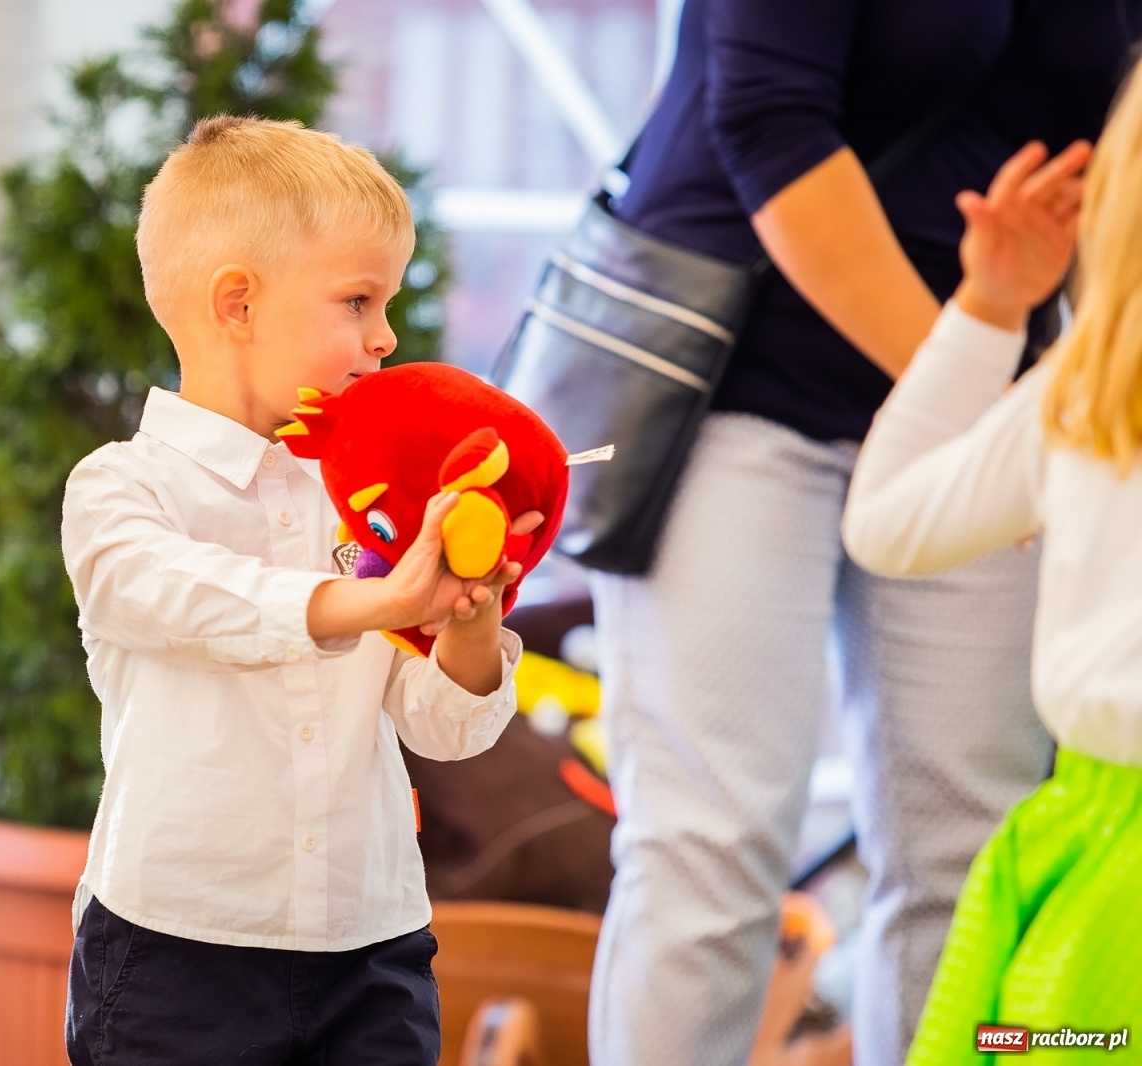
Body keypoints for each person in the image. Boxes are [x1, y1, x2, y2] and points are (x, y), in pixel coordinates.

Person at [583, 1, 1142, 1063]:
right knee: (712, 845)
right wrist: (1003, 415)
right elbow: (769, 122)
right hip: (741, 386)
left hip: (993, 367)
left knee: (965, 845)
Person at [59, 116, 531, 1065]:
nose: (386, 335)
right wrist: (379, 601)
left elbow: (445, 725)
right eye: (358, 301)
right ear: (238, 304)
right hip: (172, 957)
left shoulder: (371, 510)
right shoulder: (120, 488)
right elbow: (182, 594)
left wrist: (470, 624)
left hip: (373, 948)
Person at [843, 66, 1142, 1061]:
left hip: (1095, 862)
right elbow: (887, 525)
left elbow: (886, 519)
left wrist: (987, 305)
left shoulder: (1090, 385)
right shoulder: (1089, 385)